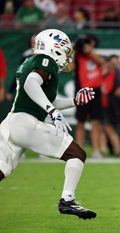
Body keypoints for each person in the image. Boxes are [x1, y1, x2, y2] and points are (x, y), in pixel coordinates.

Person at [0, 29, 96, 219]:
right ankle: (67, 200)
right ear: (55, 48)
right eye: (65, 50)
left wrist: (73, 102)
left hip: (11, 123)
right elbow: (31, 84)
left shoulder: (31, 61)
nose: (68, 56)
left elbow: (44, 98)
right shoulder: (46, 61)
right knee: (77, 154)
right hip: (26, 123)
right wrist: (53, 112)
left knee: (1, 170)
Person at [74, 35, 105, 159]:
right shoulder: (77, 57)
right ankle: (79, 150)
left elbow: (102, 63)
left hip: (95, 91)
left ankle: (96, 150)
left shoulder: (95, 55)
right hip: (82, 91)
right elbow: (69, 68)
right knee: (80, 122)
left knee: (95, 122)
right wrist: (73, 48)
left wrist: (89, 52)